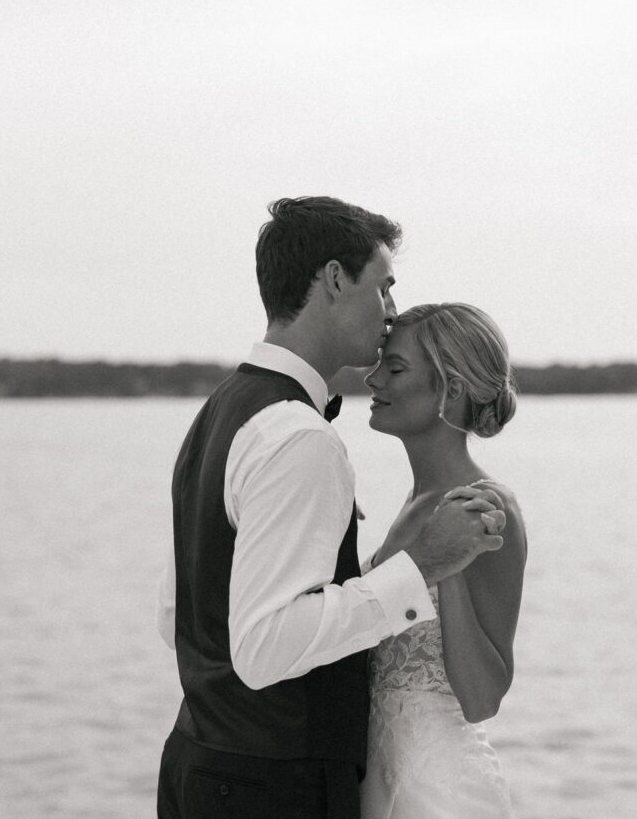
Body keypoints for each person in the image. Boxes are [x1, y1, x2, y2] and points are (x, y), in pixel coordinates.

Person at [155, 197, 507, 819]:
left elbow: (174, 616)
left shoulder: (222, 410)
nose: (391, 308)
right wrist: (423, 564)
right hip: (272, 788)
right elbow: (263, 648)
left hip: (199, 767)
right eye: (384, 286)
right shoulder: (298, 435)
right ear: (337, 279)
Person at [360, 303, 527, 819]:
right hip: (376, 785)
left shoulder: (486, 508)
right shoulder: (415, 502)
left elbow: (483, 700)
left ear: (450, 390)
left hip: (443, 797)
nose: (372, 378)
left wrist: (446, 571)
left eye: (395, 368)